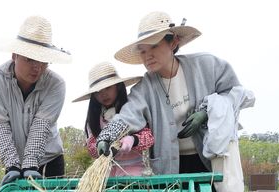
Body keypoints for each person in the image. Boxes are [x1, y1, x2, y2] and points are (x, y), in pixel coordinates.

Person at [96, 11, 243, 175]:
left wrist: (206, 112)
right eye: (143, 51)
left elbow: (234, 93)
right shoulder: (145, 88)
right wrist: (106, 137)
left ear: (173, 42)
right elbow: (128, 115)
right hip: (171, 165)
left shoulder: (207, 66)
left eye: (154, 46)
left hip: (211, 158)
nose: (148, 56)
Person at [0, 15, 71, 185]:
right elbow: (0, 126)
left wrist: (30, 164)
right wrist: (12, 165)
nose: (37, 67)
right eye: (30, 59)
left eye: (43, 61)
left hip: (48, 158)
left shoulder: (55, 84)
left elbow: (42, 124)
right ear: (15, 55)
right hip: (13, 159)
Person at [73, 61, 154, 176]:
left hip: (134, 172)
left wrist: (133, 140)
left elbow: (149, 137)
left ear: (118, 86)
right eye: (98, 91)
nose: (103, 94)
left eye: (108, 88)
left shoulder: (132, 110)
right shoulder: (95, 117)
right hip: (105, 173)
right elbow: (91, 147)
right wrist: (100, 146)